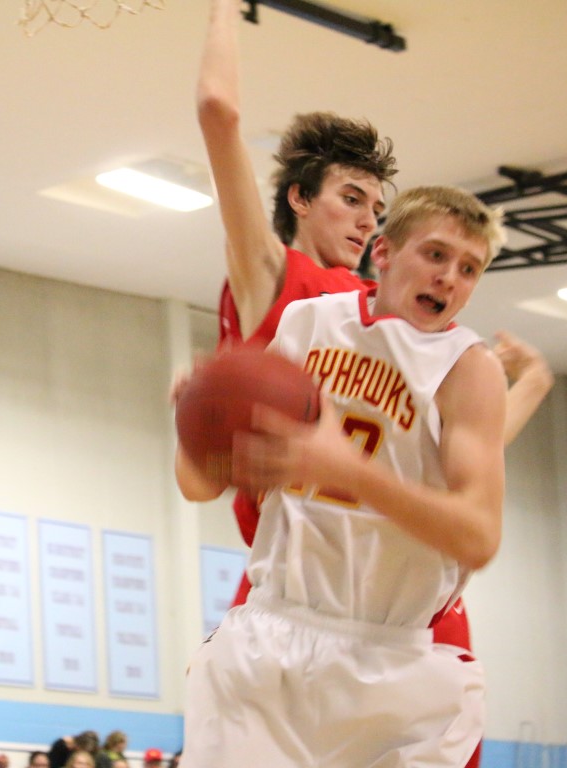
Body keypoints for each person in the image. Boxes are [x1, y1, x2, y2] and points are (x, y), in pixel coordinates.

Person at [179, 186, 509, 765]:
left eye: (469, 268)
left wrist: (349, 471)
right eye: (435, 254)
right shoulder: (308, 323)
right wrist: (201, 420)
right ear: (383, 252)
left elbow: (478, 536)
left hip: (390, 658)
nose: (448, 278)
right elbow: (199, 486)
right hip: (271, 637)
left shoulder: (467, 369)